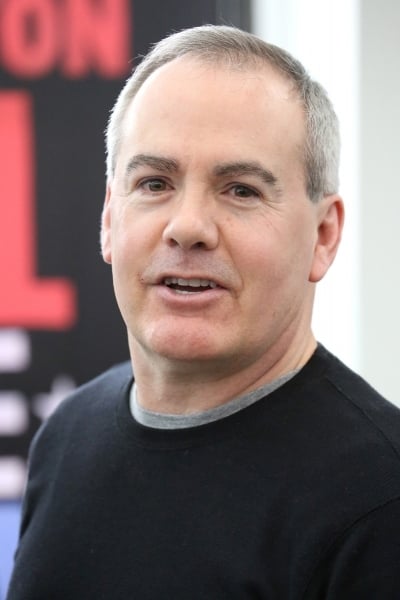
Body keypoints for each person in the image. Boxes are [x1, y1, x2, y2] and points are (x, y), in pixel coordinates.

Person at [6, 25, 400, 599]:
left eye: (241, 190)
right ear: (109, 219)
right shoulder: (67, 436)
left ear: (323, 234)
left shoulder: (380, 499)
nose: (187, 226)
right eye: (154, 183)